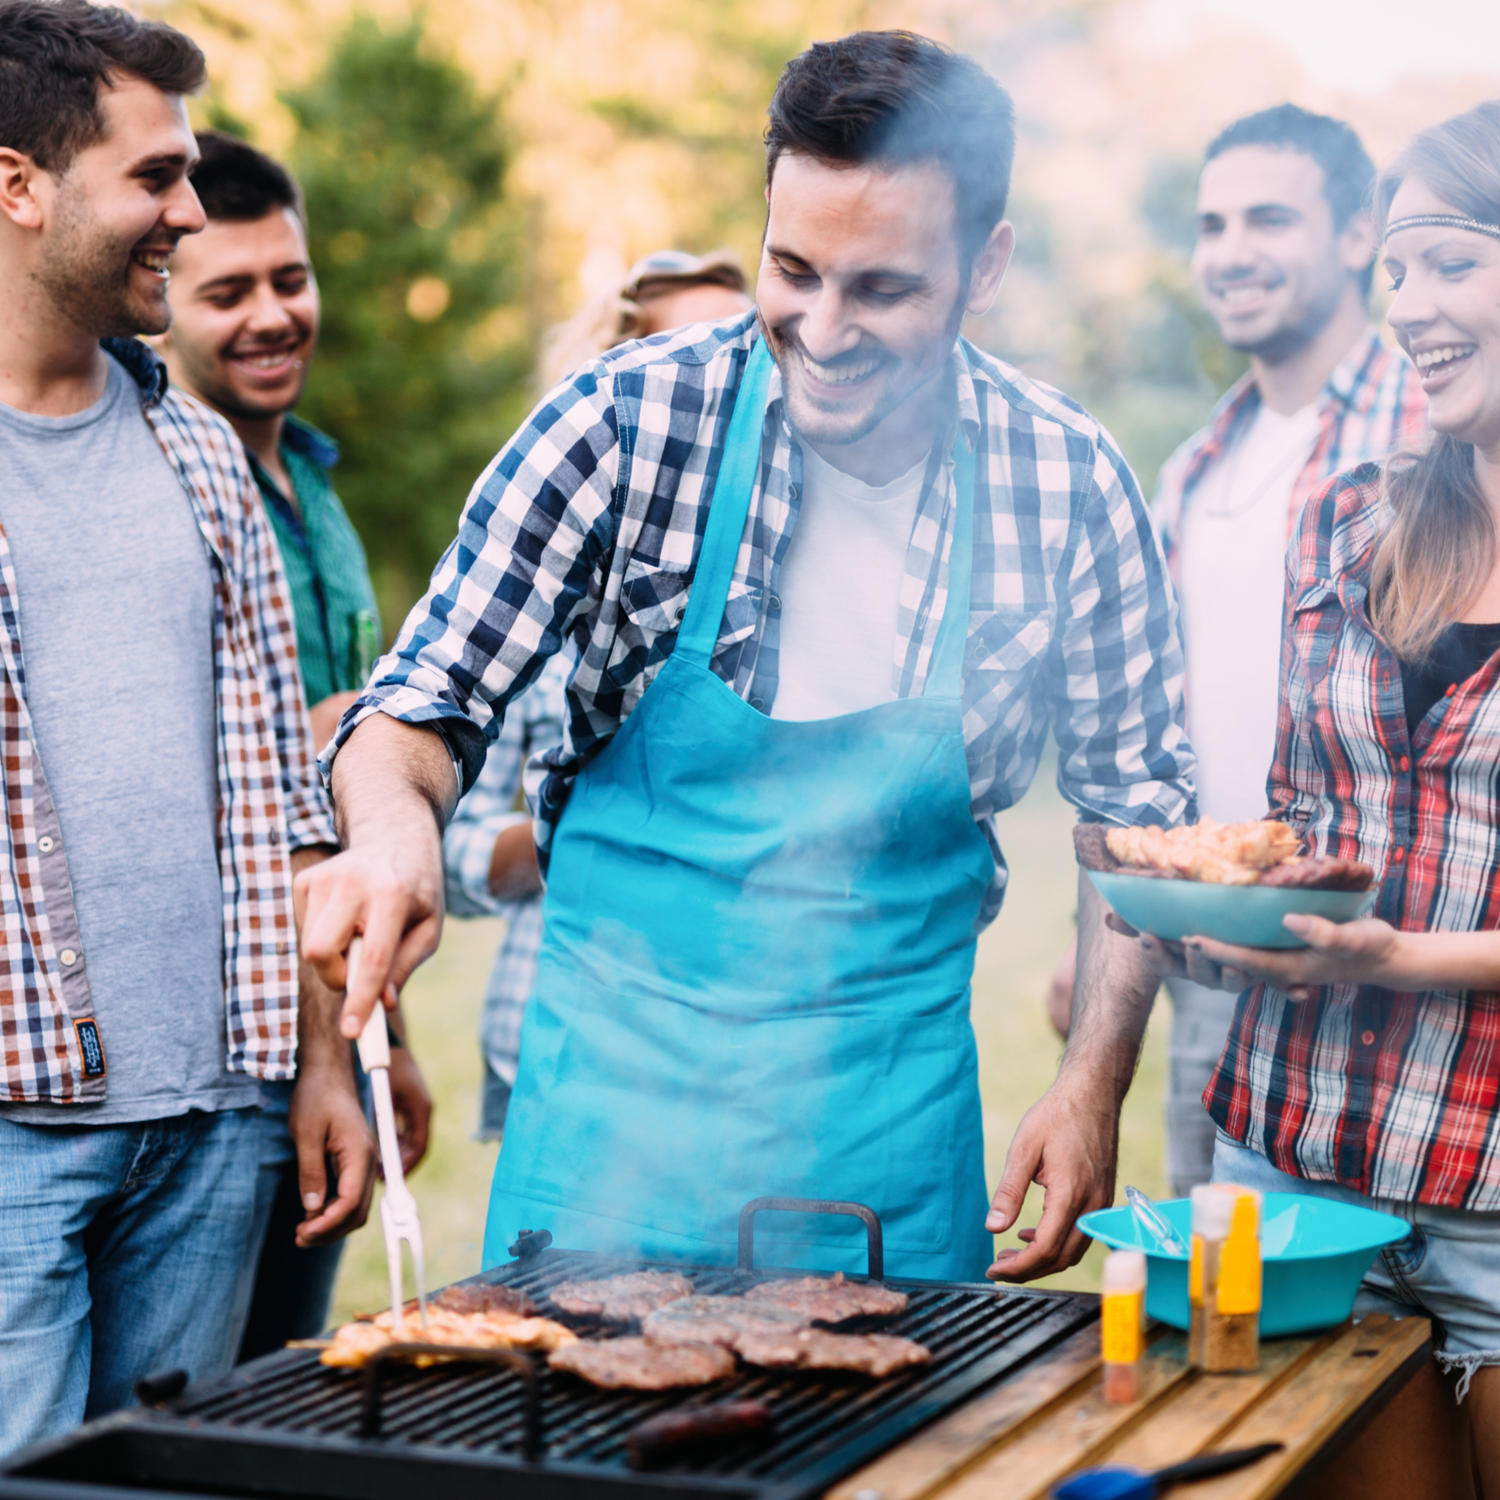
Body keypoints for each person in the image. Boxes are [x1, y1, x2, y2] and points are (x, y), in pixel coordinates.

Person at [304, 30, 1195, 1285]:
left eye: (881, 289)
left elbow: (1134, 820)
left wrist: (1092, 1086)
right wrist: (393, 834)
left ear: (985, 265)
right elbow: (419, 707)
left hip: (880, 1137)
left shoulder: (1071, 481)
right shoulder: (621, 422)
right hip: (608, 1122)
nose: (821, 330)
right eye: (793, 270)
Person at [0, 0, 371, 1455]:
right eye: (154, 178)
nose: (190, 212)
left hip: (222, 1129)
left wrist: (322, 1065)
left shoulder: (199, 451)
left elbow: (287, 798)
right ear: (17, 184)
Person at [1127, 101, 1500, 1499]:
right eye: (1396, 271)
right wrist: (1234, 908)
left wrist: (1404, 957)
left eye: (1449, 263)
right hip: (1295, 1170)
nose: (1411, 306)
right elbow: (1303, 829)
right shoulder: (1347, 523)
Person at [1044, 105, 1426, 1197]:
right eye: (1212, 225)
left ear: (1359, 235)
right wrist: (1116, 927)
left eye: (1269, 218)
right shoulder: (1199, 464)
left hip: (1374, 944)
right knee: (1226, 1295)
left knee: (1399, 1317)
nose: (1230, 252)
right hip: (1203, 947)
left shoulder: (1433, 425)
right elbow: (1158, 727)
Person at [155, 130, 430, 1362]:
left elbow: (357, 809)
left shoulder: (317, 488)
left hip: (331, 1037)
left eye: (290, 279)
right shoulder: (158, 484)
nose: (274, 316)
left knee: (278, 1379)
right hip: (211, 1057)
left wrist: (387, 1049)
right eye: (228, 292)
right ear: (158, 293)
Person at [447, 250, 752, 1138]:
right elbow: (447, 851)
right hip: (555, 1041)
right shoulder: (534, 600)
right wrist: (582, 832)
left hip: (734, 1054)